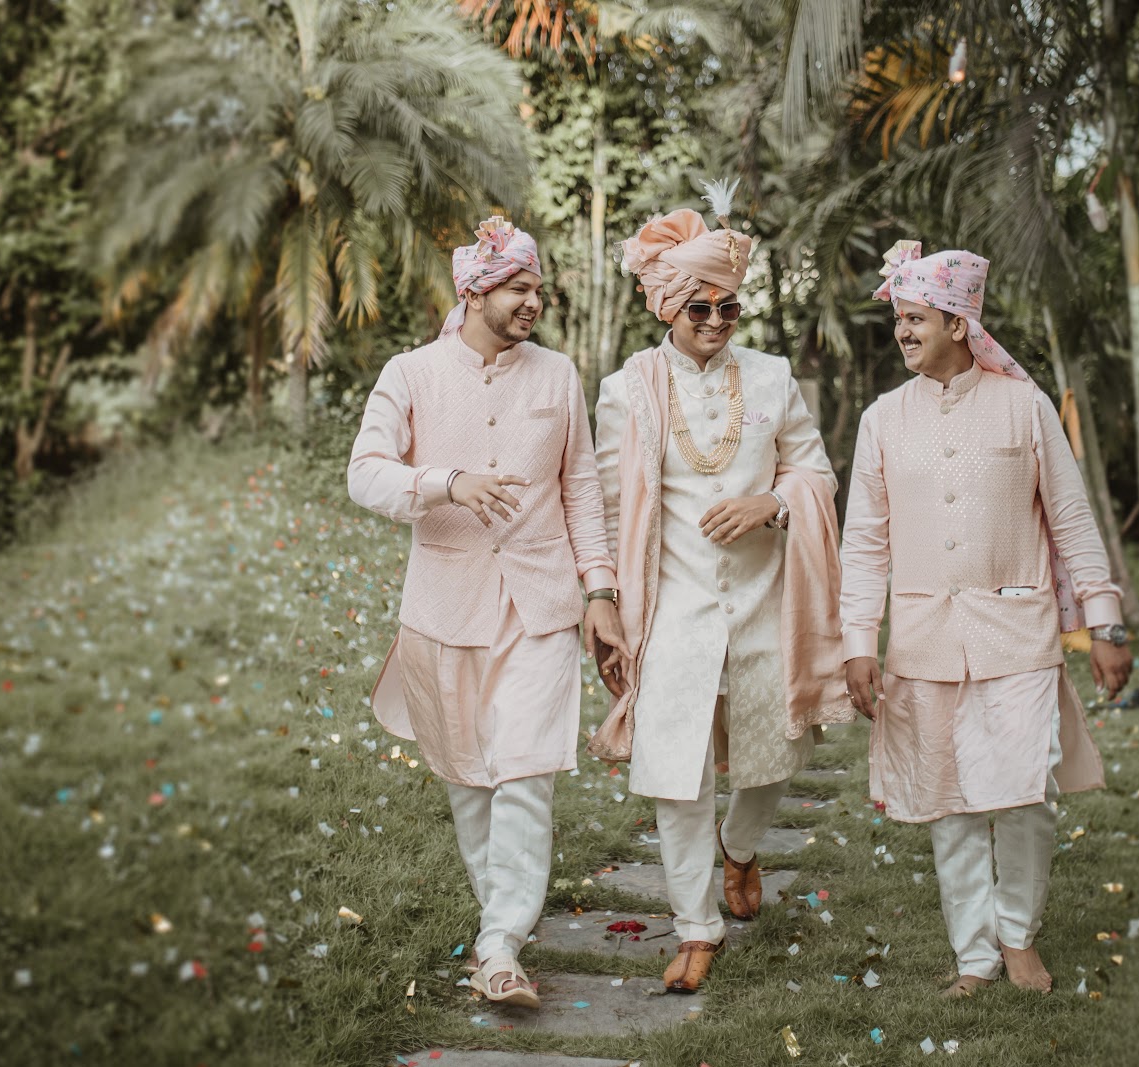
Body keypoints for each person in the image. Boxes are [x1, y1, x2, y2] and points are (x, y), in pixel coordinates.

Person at [839, 241, 1133, 998]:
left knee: (1025, 792)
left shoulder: (1024, 406)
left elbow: (1072, 520)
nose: (902, 332)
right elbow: (864, 542)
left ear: (958, 323)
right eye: (900, 319)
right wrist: (857, 643)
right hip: (922, 639)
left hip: (1018, 634)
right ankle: (974, 954)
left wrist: (1105, 623)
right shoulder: (882, 419)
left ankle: (1018, 936)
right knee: (950, 800)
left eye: (916, 319)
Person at [347, 217, 628, 1009]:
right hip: (444, 611)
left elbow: (581, 490)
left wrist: (600, 592)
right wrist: (445, 481)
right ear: (474, 293)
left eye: (538, 288)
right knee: (470, 780)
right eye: (517, 289)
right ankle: (497, 930)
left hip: (541, 607)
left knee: (526, 773)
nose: (532, 301)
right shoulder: (411, 374)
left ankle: (501, 943)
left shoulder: (558, 376)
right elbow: (364, 473)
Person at [591, 181, 851, 993]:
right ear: (665, 305)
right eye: (698, 307)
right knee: (678, 773)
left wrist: (772, 502)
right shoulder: (626, 390)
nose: (714, 321)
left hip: (767, 601)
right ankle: (696, 927)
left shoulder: (772, 378)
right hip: (673, 609)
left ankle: (740, 848)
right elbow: (609, 509)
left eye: (728, 308)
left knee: (775, 757)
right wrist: (605, 603)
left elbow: (816, 471)